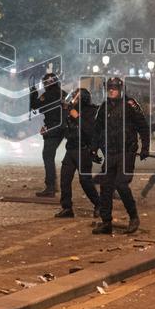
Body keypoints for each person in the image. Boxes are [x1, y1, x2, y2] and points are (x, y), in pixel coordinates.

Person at [91, 77, 149, 235]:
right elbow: (97, 130)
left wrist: (145, 147)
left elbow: (143, 127)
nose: (111, 90)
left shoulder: (130, 105)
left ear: (121, 89)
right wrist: (94, 149)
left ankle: (134, 217)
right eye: (109, 88)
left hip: (127, 151)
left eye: (114, 88)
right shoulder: (104, 107)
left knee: (121, 184)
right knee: (105, 187)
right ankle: (106, 222)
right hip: (110, 152)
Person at [54, 88, 101, 218]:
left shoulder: (91, 111)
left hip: (83, 150)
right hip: (71, 149)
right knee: (65, 178)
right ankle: (67, 207)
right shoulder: (70, 111)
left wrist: (78, 118)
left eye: (75, 97)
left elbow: (90, 131)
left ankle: (99, 205)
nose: (72, 99)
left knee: (85, 181)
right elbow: (63, 129)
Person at [29, 72, 66, 197]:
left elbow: (35, 105)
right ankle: (53, 185)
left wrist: (33, 94)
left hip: (54, 127)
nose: (44, 86)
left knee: (48, 156)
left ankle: (50, 187)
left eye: (45, 83)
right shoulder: (63, 93)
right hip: (63, 127)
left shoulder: (48, 94)